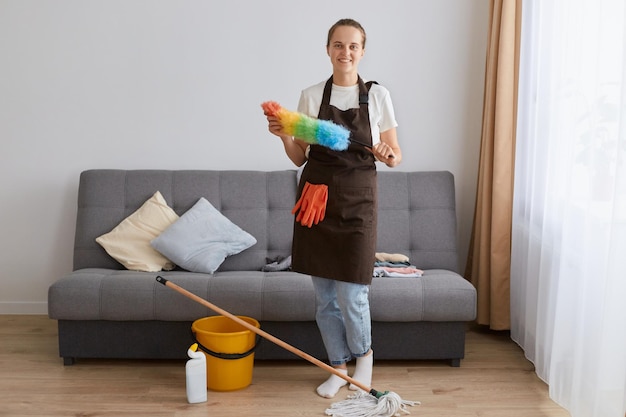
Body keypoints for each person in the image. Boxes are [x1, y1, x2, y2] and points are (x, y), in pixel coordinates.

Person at [266, 18, 402, 399]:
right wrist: (283, 135)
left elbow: (395, 154)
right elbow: (298, 158)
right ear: (328, 50)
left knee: (353, 295)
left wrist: (389, 154)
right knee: (324, 296)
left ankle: (364, 365)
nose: (345, 52)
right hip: (317, 200)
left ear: (362, 51)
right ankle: (337, 368)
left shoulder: (377, 96)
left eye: (353, 46)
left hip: (358, 202)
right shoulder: (311, 96)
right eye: (338, 45)